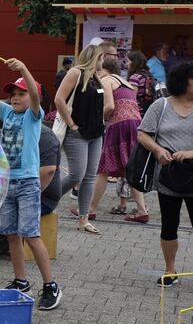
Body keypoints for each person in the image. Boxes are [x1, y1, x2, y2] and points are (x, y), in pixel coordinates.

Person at [137, 61, 193, 291]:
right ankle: (170, 270)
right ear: (182, 81)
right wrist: (158, 150)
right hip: (168, 175)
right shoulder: (160, 106)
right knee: (168, 225)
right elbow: (143, 134)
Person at [0, 58, 62, 310]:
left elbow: (34, 94)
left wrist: (24, 69)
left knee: (31, 236)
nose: (15, 98)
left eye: (20, 93)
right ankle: (21, 281)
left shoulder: (34, 116)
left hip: (28, 183)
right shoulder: (8, 112)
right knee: (11, 235)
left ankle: (50, 286)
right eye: (13, 94)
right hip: (7, 184)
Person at [54, 44, 107, 235]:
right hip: (77, 132)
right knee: (77, 174)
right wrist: (72, 124)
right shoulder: (76, 73)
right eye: (102, 57)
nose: (104, 61)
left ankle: (83, 219)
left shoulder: (96, 78)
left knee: (90, 176)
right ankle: (46, 197)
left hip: (96, 133)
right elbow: (59, 99)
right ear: (95, 57)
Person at [88, 60, 148, 222]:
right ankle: (142, 211)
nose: (97, 77)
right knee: (131, 168)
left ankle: (89, 210)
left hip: (119, 125)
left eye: (98, 72)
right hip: (136, 124)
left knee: (103, 168)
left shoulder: (106, 80)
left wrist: (97, 118)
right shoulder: (126, 82)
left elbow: (109, 106)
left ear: (105, 71)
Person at [39, 126, 62, 216]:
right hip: (15, 192)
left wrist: (30, 196)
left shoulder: (45, 135)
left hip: (43, 199)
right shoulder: (12, 130)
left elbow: (48, 170)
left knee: (0, 216)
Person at [128, 50, 158, 117]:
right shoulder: (148, 75)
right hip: (149, 110)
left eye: (128, 61)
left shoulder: (135, 77)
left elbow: (131, 97)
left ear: (134, 62)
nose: (126, 63)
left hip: (137, 112)